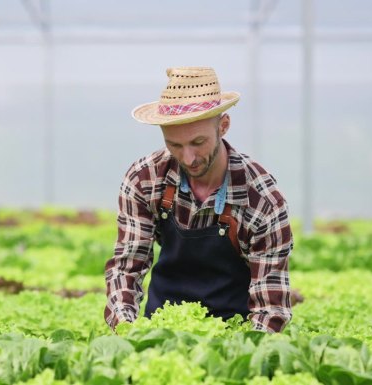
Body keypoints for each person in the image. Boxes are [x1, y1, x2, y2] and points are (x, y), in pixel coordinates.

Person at [104, 66, 293, 333]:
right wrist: (128, 331)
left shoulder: (262, 199)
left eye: (198, 142)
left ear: (223, 126)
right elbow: (127, 267)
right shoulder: (145, 179)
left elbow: (271, 308)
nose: (188, 158)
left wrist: (246, 354)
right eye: (175, 145)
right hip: (161, 331)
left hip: (233, 335)